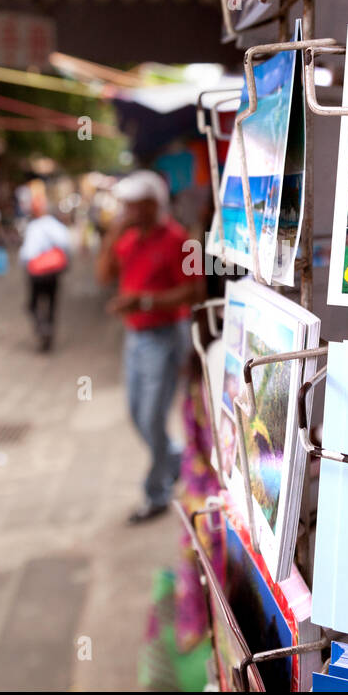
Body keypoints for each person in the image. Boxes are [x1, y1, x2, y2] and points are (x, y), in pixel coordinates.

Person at [96, 170, 204, 524]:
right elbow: (104, 275)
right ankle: (174, 458)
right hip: (136, 337)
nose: (126, 211)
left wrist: (143, 302)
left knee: (152, 417)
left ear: (152, 205)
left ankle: (156, 492)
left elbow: (193, 291)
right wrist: (113, 235)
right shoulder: (130, 237)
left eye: (132, 205)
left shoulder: (177, 239)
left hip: (164, 335)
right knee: (136, 413)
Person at [18, 197, 72, 352]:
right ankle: (48, 329)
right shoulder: (56, 226)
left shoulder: (34, 227)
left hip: (36, 271)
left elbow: (27, 252)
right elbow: (65, 244)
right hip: (53, 271)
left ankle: (43, 327)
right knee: (52, 303)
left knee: (33, 304)